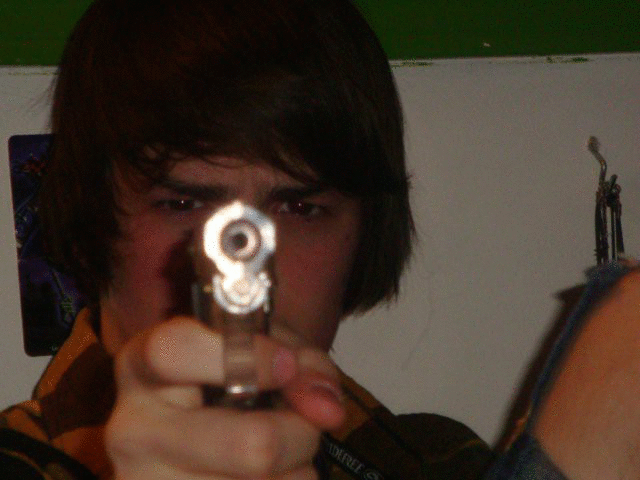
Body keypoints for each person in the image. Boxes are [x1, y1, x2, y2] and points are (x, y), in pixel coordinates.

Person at [0, 0, 494, 479]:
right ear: (91, 218)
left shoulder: (441, 466)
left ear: (363, 235)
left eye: (300, 209)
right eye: (183, 204)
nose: (245, 259)